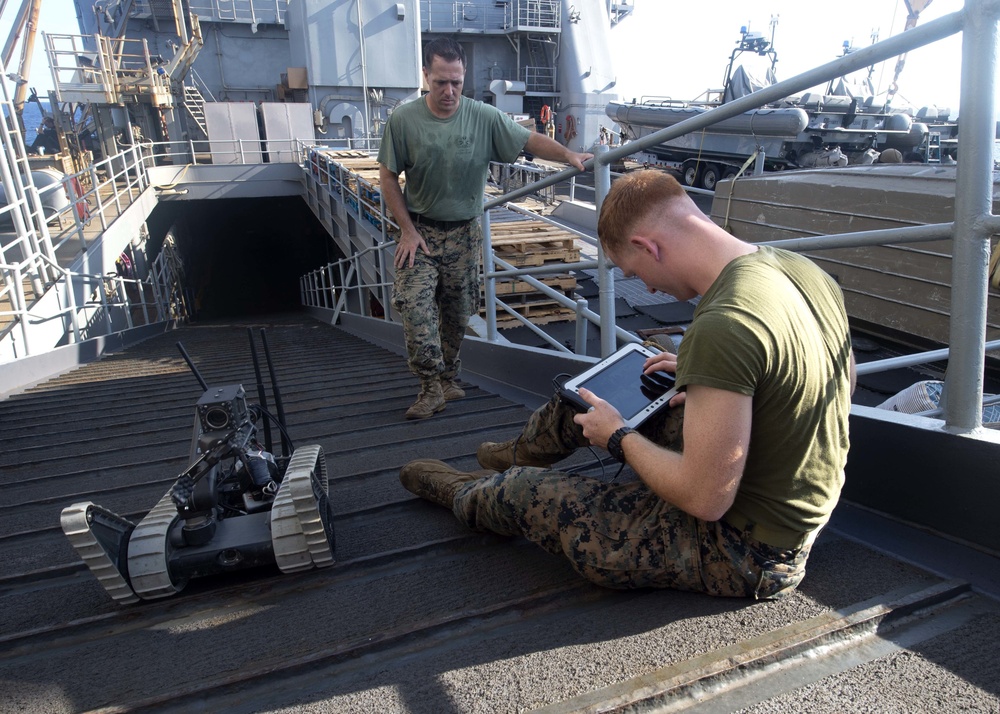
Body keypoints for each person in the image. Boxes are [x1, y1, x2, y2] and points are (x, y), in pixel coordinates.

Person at [399, 170, 856, 599]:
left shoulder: (725, 323)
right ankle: (514, 453)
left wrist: (620, 438)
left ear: (648, 246)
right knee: (591, 397)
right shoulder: (801, 270)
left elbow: (706, 499)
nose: (649, 290)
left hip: (745, 551)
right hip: (777, 501)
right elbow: (843, 382)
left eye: (635, 273)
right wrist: (716, 383)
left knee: (523, 491)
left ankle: (469, 490)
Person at [378, 37, 592, 420]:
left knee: (459, 312)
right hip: (420, 232)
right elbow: (388, 176)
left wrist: (569, 155)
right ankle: (429, 387)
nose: (449, 91)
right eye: (441, 81)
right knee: (414, 305)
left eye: (456, 82)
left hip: (464, 232)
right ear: (425, 76)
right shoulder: (404, 120)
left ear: (464, 79)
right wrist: (407, 229)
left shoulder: (481, 116)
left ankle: (447, 378)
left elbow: (528, 140)